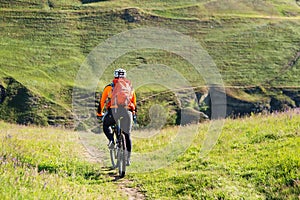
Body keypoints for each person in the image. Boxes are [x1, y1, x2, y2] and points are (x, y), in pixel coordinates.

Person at [97, 68, 137, 166]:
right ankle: (127, 159)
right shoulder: (130, 88)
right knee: (127, 135)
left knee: (106, 125)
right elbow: (134, 103)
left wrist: (99, 113)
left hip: (114, 111)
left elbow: (102, 101)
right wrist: (134, 114)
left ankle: (111, 140)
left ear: (115, 76)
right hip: (127, 111)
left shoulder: (109, 87)